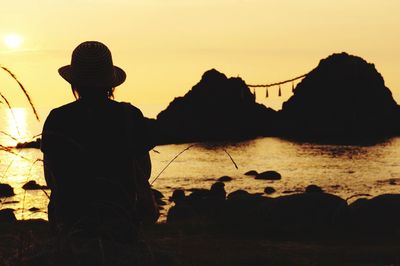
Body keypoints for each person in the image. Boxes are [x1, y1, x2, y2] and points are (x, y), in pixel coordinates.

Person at [41, 41, 159, 240]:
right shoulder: (129, 116)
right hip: (122, 225)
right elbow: (143, 172)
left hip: (71, 227)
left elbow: (51, 178)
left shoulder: (58, 118)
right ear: (111, 83)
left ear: (74, 83)